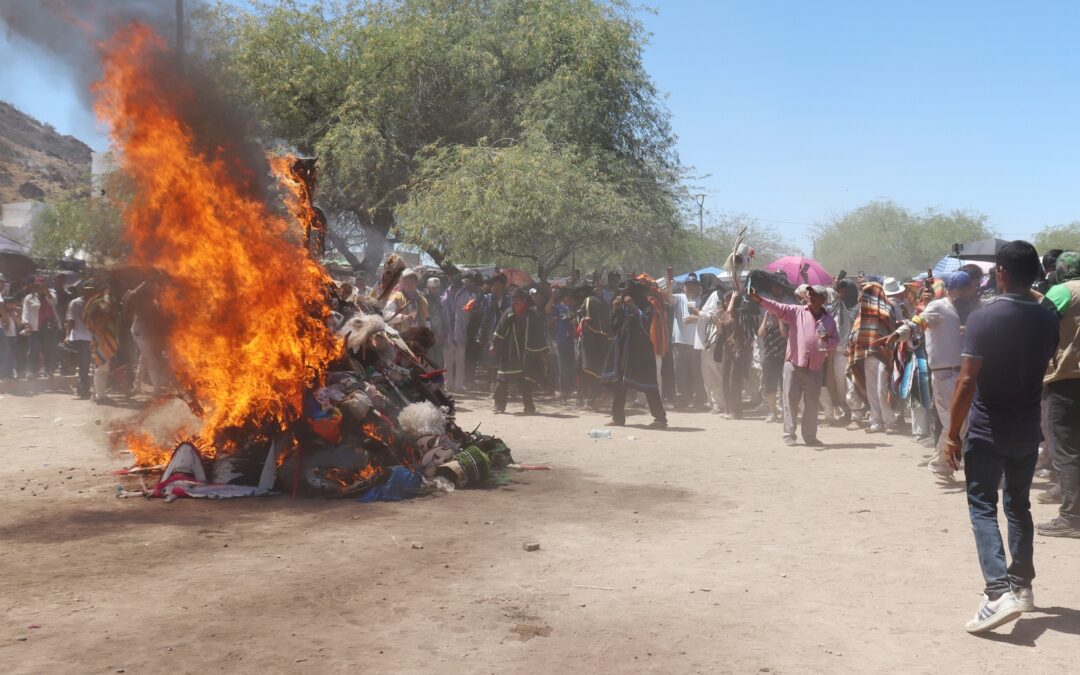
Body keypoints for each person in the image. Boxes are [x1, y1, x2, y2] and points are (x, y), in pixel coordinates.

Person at [945, 241, 1059, 634]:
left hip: (987, 427)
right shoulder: (1048, 318)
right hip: (1027, 428)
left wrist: (950, 435)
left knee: (981, 505)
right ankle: (1022, 585)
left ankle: (996, 593)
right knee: (1018, 505)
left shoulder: (984, 317)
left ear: (1001, 273)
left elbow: (965, 381)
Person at [881, 270, 978, 479]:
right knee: (955, 423)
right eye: (964, 289)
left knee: (961, 422)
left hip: (959, 374)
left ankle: (942, 463)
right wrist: (899, 334)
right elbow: (918, 322)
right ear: (956, 290)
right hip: (944, 375)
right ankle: (941, 464)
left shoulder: (964, 310)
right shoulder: (939, 307)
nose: (968, 293)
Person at [749, 284, 839, 446]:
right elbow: (777, 307)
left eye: (814, 294)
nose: (809, 296)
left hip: (815, 368)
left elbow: (835, 342)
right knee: (790, 401)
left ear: (823, 299)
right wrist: (760, 300)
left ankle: (810, 437)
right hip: (794, 365)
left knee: (812, 405)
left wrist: (828, 341)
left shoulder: (829, 320)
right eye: (809, 293)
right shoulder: (796, 311)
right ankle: (789, 435)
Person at [1036, 250, 1080, 538]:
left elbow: (1040, 327)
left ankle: (1072, 518)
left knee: (1066, 449)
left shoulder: (1061, 291)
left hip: (1067, 380)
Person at [603, 279, 668, 428]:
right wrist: (616, 310)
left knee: (649, 385)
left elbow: (646, 323)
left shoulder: (647, 306)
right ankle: (618, 417)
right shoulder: (621, 306)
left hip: (641, 351)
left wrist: (632, 305)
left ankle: (660, 419)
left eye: (628, 293)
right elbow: (614, 327)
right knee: (618, 384)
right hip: (622, 350)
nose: (625, 296)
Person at [848, 282, 897, 434]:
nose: (866, 295)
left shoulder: (888, 308)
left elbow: (892, 329)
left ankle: (889, 422)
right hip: (867, 354)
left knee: (882, 389)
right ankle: (875, 422)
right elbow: (856, 332)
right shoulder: (861, 312)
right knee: (871, 390)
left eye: (869, 292)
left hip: (883, 354)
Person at [491, 289, 548, 414]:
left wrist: (543, 352)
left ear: (524, 301)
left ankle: (529, 407)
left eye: (517, 299)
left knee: (525, 381)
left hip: (527, 353)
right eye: (513, 299)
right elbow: (500, 329)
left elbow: (539, 335)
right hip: (509, 351)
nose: (514, 301)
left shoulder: (532, 316)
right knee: (502, 379)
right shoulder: (508, 313)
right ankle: (499, 405)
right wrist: (493, 344)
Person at [125, 277, 170, 394]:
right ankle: (156, 389)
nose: (158, 288)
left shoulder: (151, 300)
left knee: (144, 359)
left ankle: (136, 387)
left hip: (145, 332)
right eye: (155, 286)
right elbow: (133, 297)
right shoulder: (141, 300)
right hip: (141, 332)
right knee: (151, 361)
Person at [717, 291, 757, 418]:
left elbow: (731, 314)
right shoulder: (724, 314)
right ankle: (729, 409)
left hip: (738, 349)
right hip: (727, 349)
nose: (726, 302)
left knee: (734, 380)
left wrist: (734, 298)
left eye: (728, 300)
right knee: (725, 380)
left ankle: (736, 410)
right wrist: (719, 319)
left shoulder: (739, 313)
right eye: (725, 300)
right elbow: (719, 332)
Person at [671, 273, 707, 409]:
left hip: (696, 343)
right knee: (680, 372)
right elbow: (667, 298)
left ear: (698, 288)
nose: (691, 288)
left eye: (694, 285)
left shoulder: (703, 300)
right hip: (680, 342)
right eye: (688, 285)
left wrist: (696, 318)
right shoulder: (679, 298)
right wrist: (669, 285)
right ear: (683, 287)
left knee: (697, 372)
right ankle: (682, 399)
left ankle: (699, 399)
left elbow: (708, 317)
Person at [84, 281, 122, 404]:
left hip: (105, 337)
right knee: (101, 367)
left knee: (103, 368)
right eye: (108, 291)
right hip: (100, 338)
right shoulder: (96, 302)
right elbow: (105, 309)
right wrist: (106, 296)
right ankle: (100, 396)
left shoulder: (96, 302)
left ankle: (100, 394)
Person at [574, 283, 611, 408]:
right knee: (587, 367)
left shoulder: (589, 301)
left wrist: (582, 321)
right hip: (595, 341)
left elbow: (588, 320)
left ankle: (596, 396)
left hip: (591, 342)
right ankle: (591, 397)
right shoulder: (598, 302)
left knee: (589, 368)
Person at [441, 274, 476, 394]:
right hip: (447, 334)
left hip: (461, 333)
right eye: (453, 286)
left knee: (460, 361)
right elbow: (443, 315)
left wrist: (461, 331)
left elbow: (467, 316)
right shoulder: (445, 296)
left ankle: (459, 385)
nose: (455, 289)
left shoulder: (466, 297)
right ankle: (448, 384)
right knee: (447, 362)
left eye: (457, 287)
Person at [21, 276, 60, 379]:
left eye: (41, 285)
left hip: (48, 328)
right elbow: (26, 311)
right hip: (35, 328)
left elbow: (54, 303)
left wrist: (46, 291)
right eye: (37, 285)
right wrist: (26, 323)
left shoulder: (51, 294)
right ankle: (30, 371)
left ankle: (48, 370)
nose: (39, 287)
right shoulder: (29, 298)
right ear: (33, 286)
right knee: (33, 350)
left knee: (48, 349)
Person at [478, 273, 512, 389]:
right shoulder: (487, 299)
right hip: (490, 334)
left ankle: (503, 385)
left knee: (503, 360)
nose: (496, 287)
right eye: (494, 285)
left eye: (498, 284)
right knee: (490, 360)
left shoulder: (509, 300)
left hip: (505, 334)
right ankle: (493, 385)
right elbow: (483, 316)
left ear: (503, 286)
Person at [547, 287, 578, 403]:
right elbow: (548, 310)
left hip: (573, 341)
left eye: (571, 296)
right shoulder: (559, 307)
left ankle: (574, 391)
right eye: (567, 296)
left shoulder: (576, 309)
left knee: (573, 367)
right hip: (561, 341)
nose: (569, 298)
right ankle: (563, 393)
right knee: (563, 368)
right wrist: (552, 297)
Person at [65, 280, 95, 398]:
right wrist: (67, 336)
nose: (89, 292)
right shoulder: (75, 303)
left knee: (89, 365)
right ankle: (83, 390)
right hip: (80, 337)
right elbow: (71, 321)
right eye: (87, 290)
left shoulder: (94, 302)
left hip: (93, 337)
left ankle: (83, 388)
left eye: (91, 290)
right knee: (84, 365)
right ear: (82, 290)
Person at [423, 276, 444, 367]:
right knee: (430, 356)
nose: (435, 290)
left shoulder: (441, 299)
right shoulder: (424, 300)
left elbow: (442, 317)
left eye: (437, 288)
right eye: (433, 288)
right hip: (429, 332)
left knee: (439, 357)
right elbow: (426, 317)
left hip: (440, 332)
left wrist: (440, 333)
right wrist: (433, 333)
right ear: (428, 288)